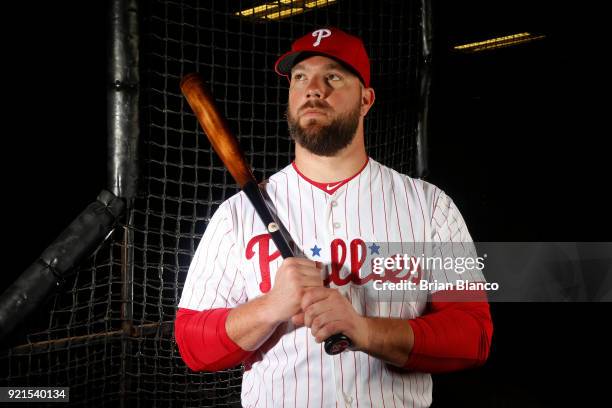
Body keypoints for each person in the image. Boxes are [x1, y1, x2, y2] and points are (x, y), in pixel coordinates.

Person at [175, 27, 493, 407]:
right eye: (300, 77)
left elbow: (472, 334)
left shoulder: (428, 206)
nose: (314, 89)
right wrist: (272, 306)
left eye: (333, 77)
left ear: (365, 100)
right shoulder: (238, 215)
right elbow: (193, 344)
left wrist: (365, 331)